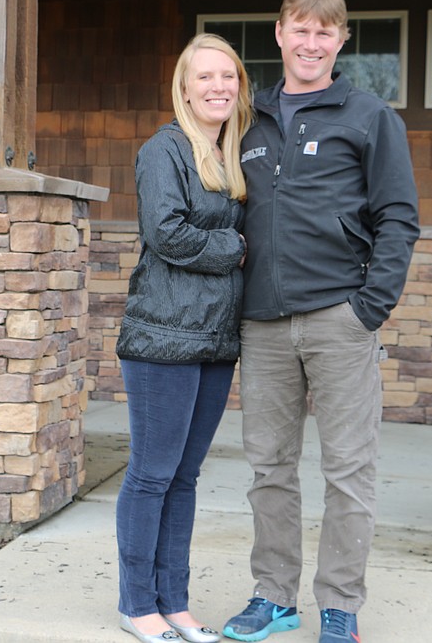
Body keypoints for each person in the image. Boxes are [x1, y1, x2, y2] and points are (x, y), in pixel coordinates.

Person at [221, 0, 420, 643]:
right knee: (269, 470)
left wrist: (371, 308)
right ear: (280, 33)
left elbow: (398, 217)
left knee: (349, 473)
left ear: (341, 39)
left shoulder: (369, 117)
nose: (311, 41)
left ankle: (339, 605)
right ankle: (274, 598)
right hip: (263, 326)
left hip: (340, 320)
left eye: (324, 30)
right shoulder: (248, 120)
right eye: (300, 28)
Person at [115, 32, 252, 643]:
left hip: (216, 341)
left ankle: (175, 602)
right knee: (151, 473)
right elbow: (167, 234)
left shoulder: (233, 155)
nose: (218, 86)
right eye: (206, 77)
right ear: (185, 87)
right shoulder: (163, 150)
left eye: (229, 76)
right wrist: (238, 248)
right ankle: (136, 604)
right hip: (164, 337)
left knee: (186, 477)